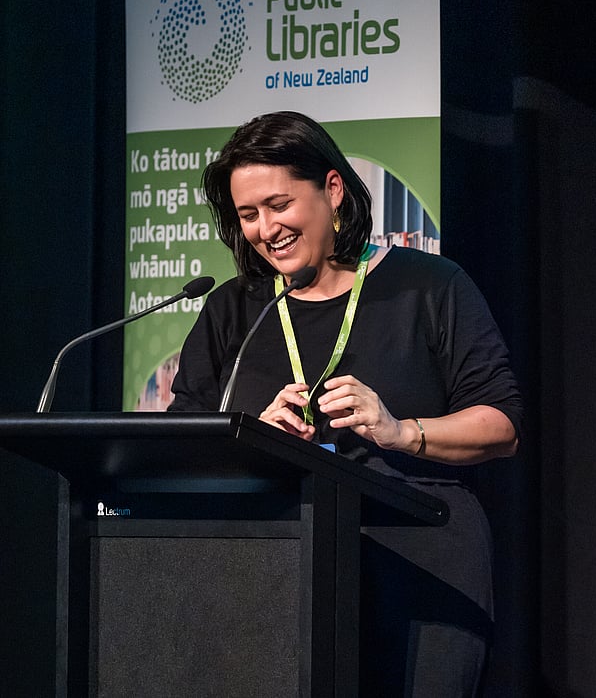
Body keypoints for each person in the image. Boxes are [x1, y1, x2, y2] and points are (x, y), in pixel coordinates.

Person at [169, 110, 523, 696]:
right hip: (276, 563)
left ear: (333, 190)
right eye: (248, 215)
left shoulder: (429, 285)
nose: (265, 229)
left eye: (279, 205)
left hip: (423, 559)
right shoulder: (233, 308)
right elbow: (184, 434)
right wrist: (252, 434)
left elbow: (502, 424)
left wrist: (400, 430)